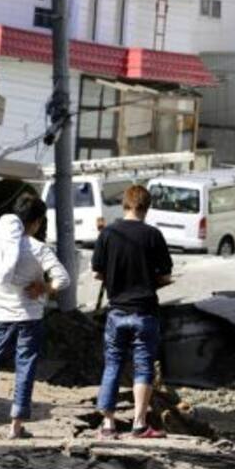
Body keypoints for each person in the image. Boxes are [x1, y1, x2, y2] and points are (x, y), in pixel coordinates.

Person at [0, 194, 70, 439]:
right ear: (37, 222)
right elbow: (63, 279)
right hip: (29, 318)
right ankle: (16, 426)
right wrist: (45, 288)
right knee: (25, 369)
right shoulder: (38, 248)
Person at [91, 184, 173, 440]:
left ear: (124, 204)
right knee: (143, 366)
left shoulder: (108, 234)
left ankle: (108, 425)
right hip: (145, 311)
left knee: (113, 364)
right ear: (147, 208)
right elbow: (165, 275)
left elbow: (97, 273)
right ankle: (139, 424)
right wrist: (149, 281)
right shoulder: (153, 235)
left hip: (116, 311)